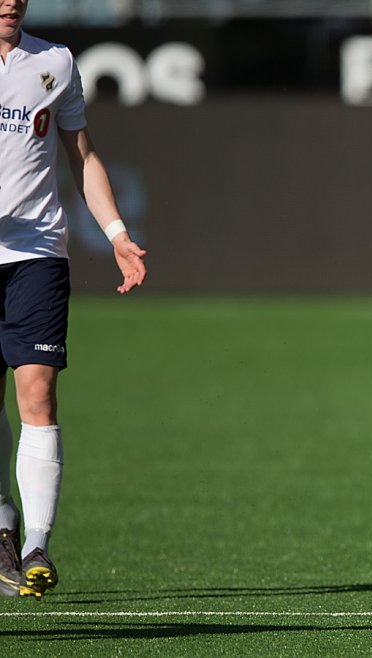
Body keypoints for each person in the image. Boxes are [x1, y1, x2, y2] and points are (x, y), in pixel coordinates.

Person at [0, 0, 148, 598]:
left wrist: (117, 236)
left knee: (37, 389)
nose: (10, 0)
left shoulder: (54, 62)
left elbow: (82, 157)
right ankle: (3, 523)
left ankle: (36, 542)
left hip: (36, 253)